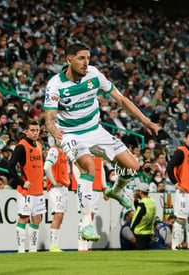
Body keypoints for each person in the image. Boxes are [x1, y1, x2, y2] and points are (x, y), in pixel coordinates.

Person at [44, 43, 158, 241]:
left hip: (95, 129)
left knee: (133, 166)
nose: (86, 63)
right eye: (81, 58)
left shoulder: (94, 75)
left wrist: (145, 120)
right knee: (88, 166)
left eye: (88, 58)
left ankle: (117, 190)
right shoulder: (55, 85)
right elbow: (49, 117)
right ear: (68, 60)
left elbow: (121, 99)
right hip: (70, 134)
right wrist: (54, 131)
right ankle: (86, 223)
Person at [7, 119, 45, 253]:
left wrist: (43, 178)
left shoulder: (39, 146)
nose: (35, 133)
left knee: (37, 218)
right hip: (26, 191)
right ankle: (21, 250)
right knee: (24, 217)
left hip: (38, 190)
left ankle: (33, 250)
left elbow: (39, 166)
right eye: (32, 131)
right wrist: (22, 182)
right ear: (26, 131)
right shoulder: (21, 146)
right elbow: (10, 166)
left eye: (37, 130)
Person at [166, 128, 189, 250]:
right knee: (180, 218)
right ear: (186, 139)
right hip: (184, 192)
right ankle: (175, 245)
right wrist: (176, 183)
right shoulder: (181, 152)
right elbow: (170, 167)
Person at [43, 143, 70, 252]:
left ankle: (55, 245)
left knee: (60, 216)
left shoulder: (63, 151)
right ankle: (53, 246)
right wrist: (53, 182)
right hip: (56, 189)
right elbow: (46, 167)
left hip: (63, 188)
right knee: (58, 215)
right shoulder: (54, 150)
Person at [130, 182, 156, 250]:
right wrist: (136, 200)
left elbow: (137, 217)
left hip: (140, 233)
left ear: (140, 191)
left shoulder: (142, 204)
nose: (136, 192)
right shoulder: (151, 201)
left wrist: (132, 228)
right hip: (149, 232)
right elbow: (142, 211)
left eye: (137, 191)